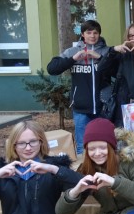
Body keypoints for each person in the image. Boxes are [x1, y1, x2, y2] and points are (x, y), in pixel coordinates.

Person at [47, 20, 110, 155]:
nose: (92, 36)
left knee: (105, 144)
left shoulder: (106, 51)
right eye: (88, 32)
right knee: (82, 146)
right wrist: (73, 59)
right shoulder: (72, 51)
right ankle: (85, 174)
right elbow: (52, 68)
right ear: (82, 34)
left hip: (104, 107)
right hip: (81, 109)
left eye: (95, 33)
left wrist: (99, 57)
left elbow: (117, 70)